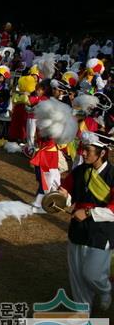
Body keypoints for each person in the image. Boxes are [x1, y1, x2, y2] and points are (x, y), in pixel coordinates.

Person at [58, 132, 114, 312]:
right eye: (83, 150)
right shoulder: (79, 171)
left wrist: (89, 212)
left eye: (87, 150)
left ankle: (105, 290)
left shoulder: (112, 175)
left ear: (102, 153)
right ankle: (82, 313)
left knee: (92, 274)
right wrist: (60, 196)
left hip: (101, 232)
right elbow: (66, 190)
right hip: (78, 228)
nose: (82, 154)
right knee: (77, 275)